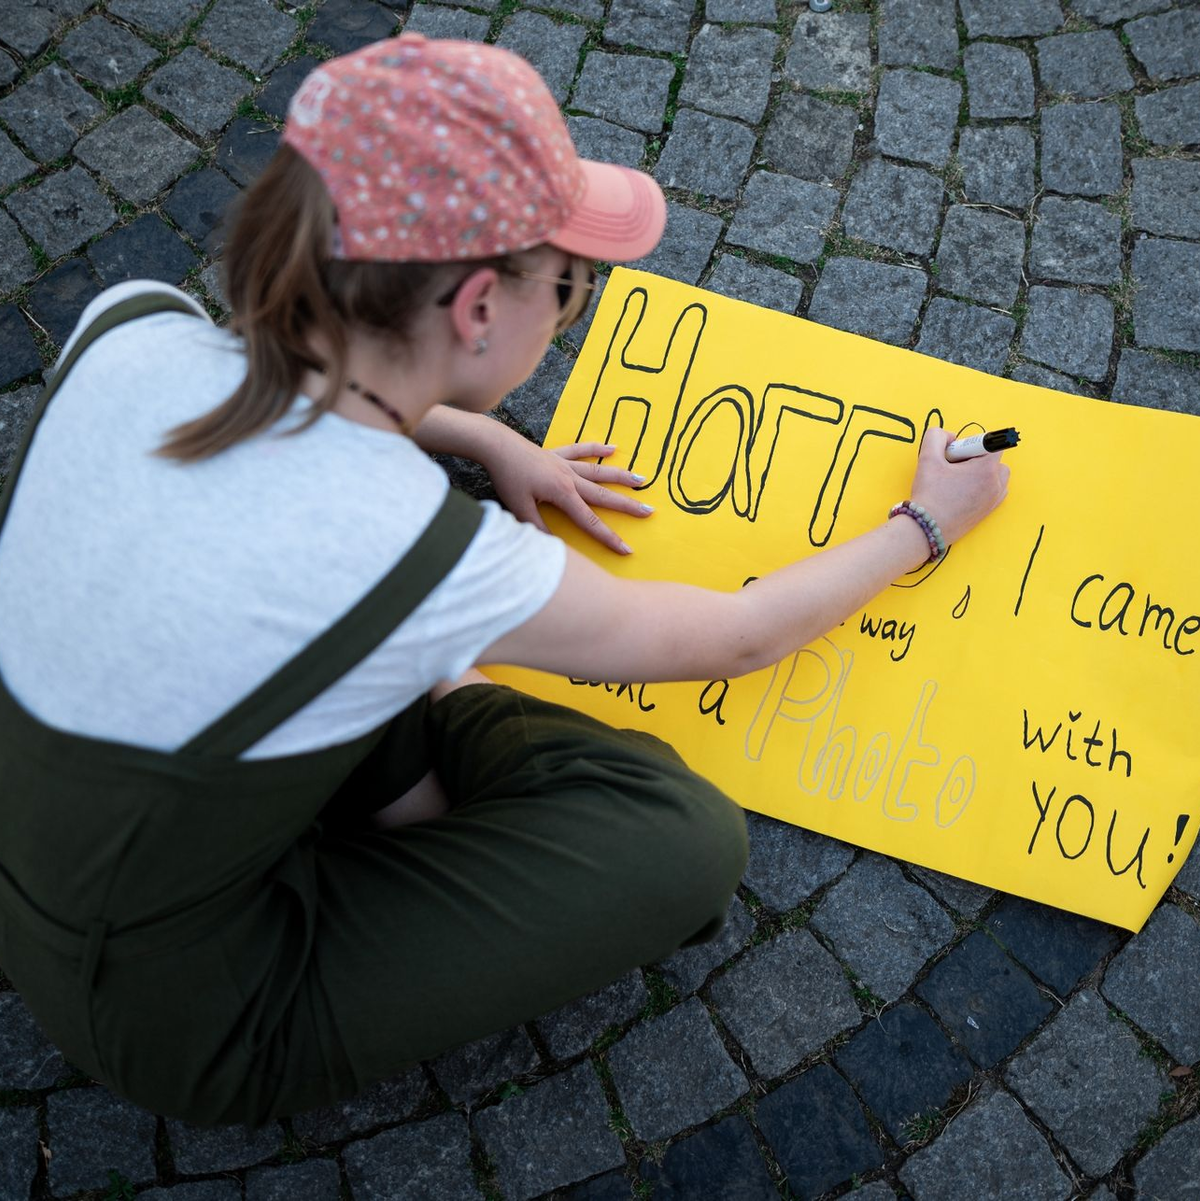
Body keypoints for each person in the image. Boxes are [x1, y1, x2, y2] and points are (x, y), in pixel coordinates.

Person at [0, 35, 1009, 1128]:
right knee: (682, 841)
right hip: (175, 1014)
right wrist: (925, 523)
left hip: (58, 843)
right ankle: (443, 706)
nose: (569, 310)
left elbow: (278, 377)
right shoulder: (398, 544)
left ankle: (410, 753)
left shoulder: (127, 323)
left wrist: (488, 441)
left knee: (339, 656)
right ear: (479, 306)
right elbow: (739, 635)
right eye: (570, 291)